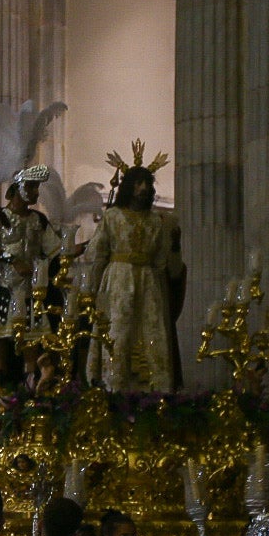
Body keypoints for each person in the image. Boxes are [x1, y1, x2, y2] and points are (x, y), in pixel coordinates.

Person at [79, 152, 185, 392]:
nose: (143, 188)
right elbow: (97, 253)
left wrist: (174, 245)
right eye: (138, 183)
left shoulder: (157, 222)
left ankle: (153, 389)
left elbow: (162, 263)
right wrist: (91, 290)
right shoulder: (112, 217)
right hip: (118, 280)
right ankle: (113, 385)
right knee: (117, 332)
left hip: (149, 281)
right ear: (129, 186)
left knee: (151, 332)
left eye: (147, 183)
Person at [0, 165, 63, 392]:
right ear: (18, 187)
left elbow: (57, 251)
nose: (35, 192)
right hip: (5, 291)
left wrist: (81, 247)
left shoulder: (38, 221)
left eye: (37, 187)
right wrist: (11, 259)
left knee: (31, 345)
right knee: (1, 346)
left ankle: (31, 387)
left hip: (32, 292)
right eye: (31, 186)